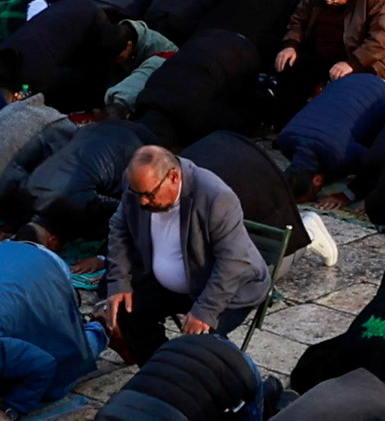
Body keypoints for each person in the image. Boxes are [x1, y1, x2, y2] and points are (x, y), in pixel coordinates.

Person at [102, 141, 271, 359]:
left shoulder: (216, 197)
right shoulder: (136, 184)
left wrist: (205, 310)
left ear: (173, 177)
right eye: (138, 194)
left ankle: (201, 376)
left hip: (224, 288)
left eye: (150, 194)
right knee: (127, 311)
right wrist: (119, 280)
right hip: (169, 284)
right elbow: (119, 227)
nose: (142, 201)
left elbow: (233, 262)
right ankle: (159, 370)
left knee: (199, 344)